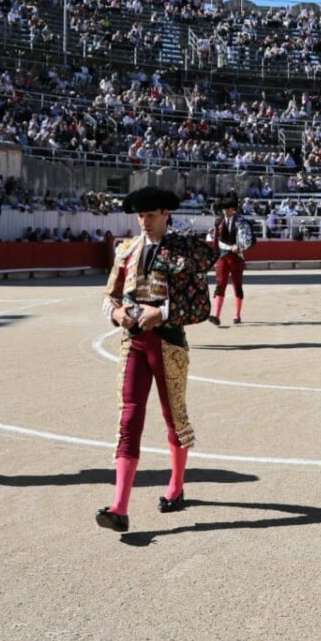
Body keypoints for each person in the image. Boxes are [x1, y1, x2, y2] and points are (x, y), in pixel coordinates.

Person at [96, 186, 219, 532]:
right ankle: (119, 506)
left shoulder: (184, 251)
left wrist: (162, 313)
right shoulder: (126, 250)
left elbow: (198, 307)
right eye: (140, 216)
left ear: (166, 214)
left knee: (174, 417)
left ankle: (176, 486)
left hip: (168, 343)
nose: (144, 222)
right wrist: (116, 313)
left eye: (151, 215)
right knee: (129, 417)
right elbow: (109, 295)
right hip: (133, 341)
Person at [208, 192, 253, 325]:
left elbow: (248, 240)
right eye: (224, 209)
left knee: (237, 286)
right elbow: (216, 242)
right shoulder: (219, 222)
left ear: (234, 209)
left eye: (228, 209)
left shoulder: (241, 222)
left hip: (236, 258)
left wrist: (240, 246)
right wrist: (215, 256)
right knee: (220, 284)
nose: (225, 211)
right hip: (223, 257)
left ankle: (237, 315)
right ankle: (216, 315)